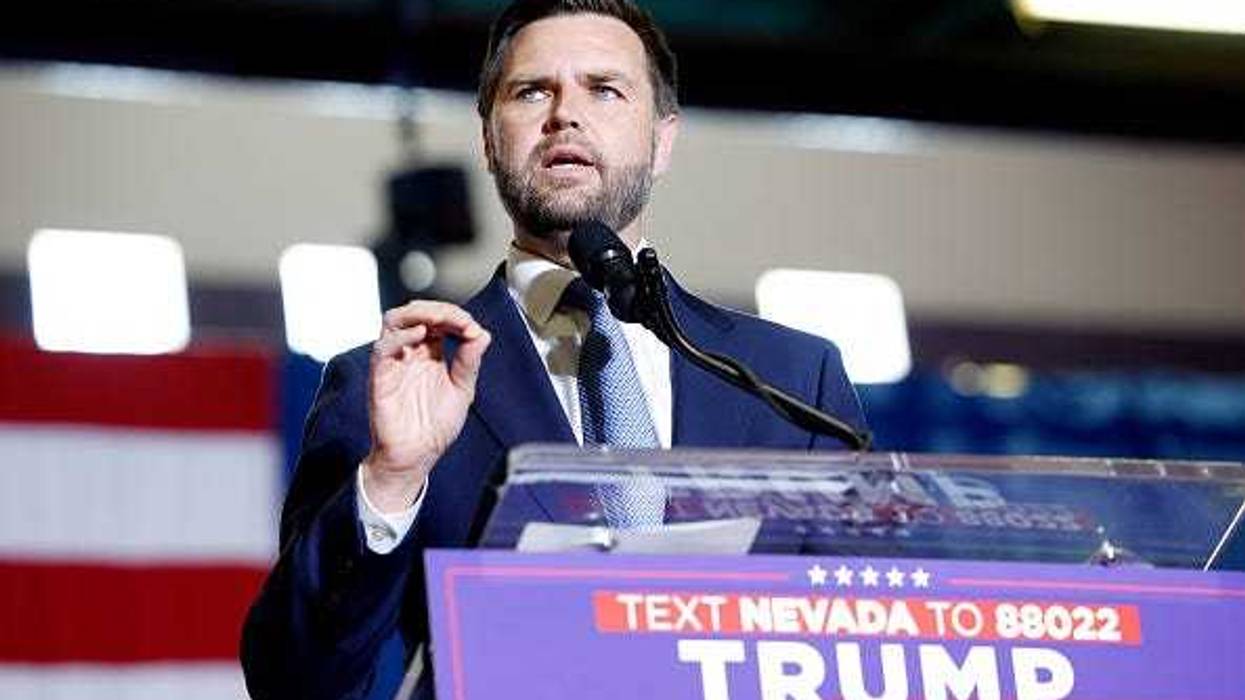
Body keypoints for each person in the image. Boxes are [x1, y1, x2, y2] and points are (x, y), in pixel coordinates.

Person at [241, 1, 866, 698]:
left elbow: (867, 641)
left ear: (662, 140)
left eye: (604, 90)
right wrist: (391, 479)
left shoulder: (793, 381)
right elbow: (295, 683)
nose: (565, 114)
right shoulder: (393, 382)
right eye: (532, 91)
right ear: (488, 139)